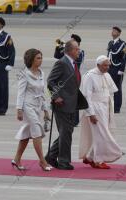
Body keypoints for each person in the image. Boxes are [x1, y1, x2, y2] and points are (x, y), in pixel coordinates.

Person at [79, 55, 123, 169]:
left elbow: (111, 92)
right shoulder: (89, 76)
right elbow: (86, 96)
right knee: (101, 134)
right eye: (105, 65)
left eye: (109, 65)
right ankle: (99, 160)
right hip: (95, 108)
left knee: (102, 133)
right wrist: (91, 113)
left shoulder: (107, 75)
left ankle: (90, 157)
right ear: (98, 65)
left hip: (105, 108)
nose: (107, 67)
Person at [12, 49, 52, 172]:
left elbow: (42, 92)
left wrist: (45, 110)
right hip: (27, 107)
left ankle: (17, 159)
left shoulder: (41, 73)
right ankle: (42, 161)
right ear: (31, 60)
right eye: (38, 58)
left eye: (41, 57)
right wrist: (19, 109)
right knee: (36, 132)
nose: (41, 60)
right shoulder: (24, 74)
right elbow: (20, 92)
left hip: (37, 107)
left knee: (26, 134)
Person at [45, 40, 82, 170]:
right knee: (66, 132)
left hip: (72, 103)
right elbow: (50, 81)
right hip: (62, 104)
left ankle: (50, 156)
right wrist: (56, 97)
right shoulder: (61, 62)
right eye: (77, 49)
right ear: (70, 50)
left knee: (66, 132)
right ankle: (63, 162)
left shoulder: (73, 63)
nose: (79, 51)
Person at [53, 34, 85, 126]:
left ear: (77, 43)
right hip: (65, 76)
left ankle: (75, 120)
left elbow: (77, 60)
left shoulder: (81, 52)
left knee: (74, 96)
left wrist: (66, 52)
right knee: (67, 96)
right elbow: (56, 56)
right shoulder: (66, 51)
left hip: (74, 76)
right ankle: (68, 117)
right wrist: (58, 47)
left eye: (72, 40)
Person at [107, 26, 126, 113]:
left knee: (117, 88)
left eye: (115, 31)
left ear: (118, 33)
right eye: (112, 30)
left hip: (117, 68)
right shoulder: (110, 43)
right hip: (109, 68)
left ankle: (117, 108)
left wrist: (121, 69)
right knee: (109, 87)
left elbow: (124, 57)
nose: (112, 32)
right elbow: (109, 55)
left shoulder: (122, 44)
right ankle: (110, 105)